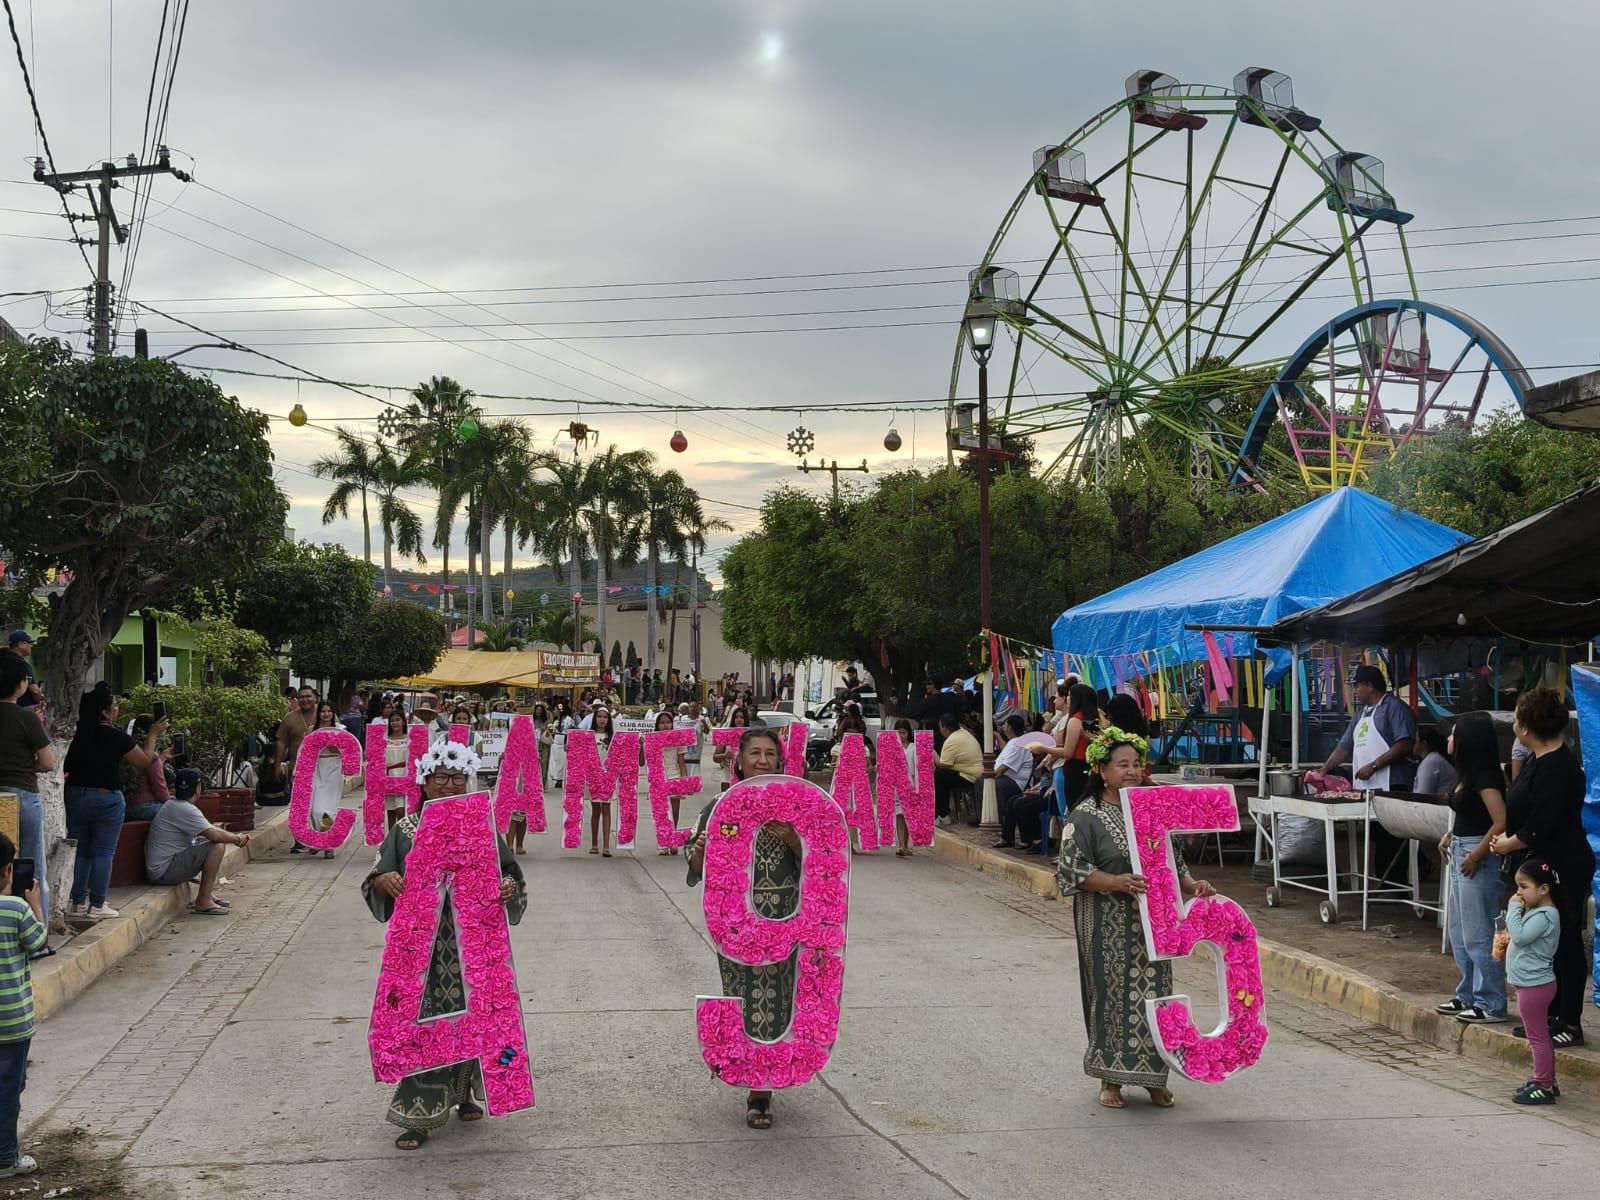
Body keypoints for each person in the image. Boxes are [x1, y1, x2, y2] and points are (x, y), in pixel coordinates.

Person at [361, 742, 526, 1151]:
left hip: (474, 942)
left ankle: (465, 1091)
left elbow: (510, 874)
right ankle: (419, 1111)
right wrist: (385, 882)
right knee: (426, 1019)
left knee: (475, 1015)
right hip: (423, 952)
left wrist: (507, 888)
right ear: (425, 782)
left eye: (457, 779)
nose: (449, 786)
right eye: (441, 778)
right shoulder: (405, 831)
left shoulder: (483, 827)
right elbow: (375, 876)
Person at [1058, 726, 1216, 1111]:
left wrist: (1193, 884)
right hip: (1105, 920)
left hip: (1154, 923)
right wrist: (1115, 881)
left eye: (1136, 764)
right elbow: (1072, 870)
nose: (1130, 771)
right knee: (1110, 994)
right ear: (1102, 770)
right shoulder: (1085, 816)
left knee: (1156, 996)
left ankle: (1153, 1078)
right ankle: (1110, 1078)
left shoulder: (1151, 810)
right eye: (1121, 764)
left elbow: (1172, 861)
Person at [685, 727, 797, 1130]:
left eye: (770, 754)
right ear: (740, 761)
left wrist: (794, 841)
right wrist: (700, 854)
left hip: (786, 924)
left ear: (781, 762)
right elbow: (694, 866)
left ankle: (768, 1075)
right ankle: (758, 1090)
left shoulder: (798, 806)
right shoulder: (719, 806)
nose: (763, 760)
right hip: (735, 928)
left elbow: (826, 859)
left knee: (780, 1002)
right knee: (747, 1000)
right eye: (755, 753)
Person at [1490, 686, 1594, 1048]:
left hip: (1563, 864)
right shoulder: (1539, 760)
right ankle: (1549, 1015)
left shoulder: (1558, 767)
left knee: (1565, 941)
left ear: (1525, 727)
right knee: (1546, 945)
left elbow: (1542, 823)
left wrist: (1509, 842)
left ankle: (1570, 1020)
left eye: (1518, 718)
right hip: (1541, 861)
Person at [64, 684, 166, 920]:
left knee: (82, 851)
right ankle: (98, 903)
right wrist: (152, 735)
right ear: (105, 712)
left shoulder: (75, 734)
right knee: (103, 852)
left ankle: (77, 900)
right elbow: (143, 761)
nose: (117, 709)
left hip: (74, 796)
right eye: (115, 706)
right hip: (105, 798)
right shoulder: (115, 736)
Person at [1433, 712, 1508, 1024]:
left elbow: (1501, 821)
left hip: (1477, 855)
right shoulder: (1464, 773)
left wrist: (1476, 854)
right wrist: (1450, 836)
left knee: (1479, 932)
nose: (1449, 740)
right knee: (1460, 931)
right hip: (1460, 848)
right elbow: (1467, 813)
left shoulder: (1486, 777)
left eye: (1454, 735)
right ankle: (1467, 993)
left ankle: (1491, 1001)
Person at [0, 831, 46, 1178]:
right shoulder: (15, 909)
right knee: (8, 1089)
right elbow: (38, 944)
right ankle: (5, 1157)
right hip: (12, 1022)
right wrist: (36, 906)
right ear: (6, 873)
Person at [1497, 859, 1562, 1104]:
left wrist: (1513, 909)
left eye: (1523, 887)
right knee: (1540, 1035)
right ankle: (1546, 1079)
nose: (1518, 893)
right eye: (1517, 888)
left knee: (1537, 1037)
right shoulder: (1538, 912)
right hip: (1528, 984)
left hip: (1535, 986)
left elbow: (1521, 936)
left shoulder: (1546, 915)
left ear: (1543, 889)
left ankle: (1543, 1085)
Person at [145, 768, 247, 914]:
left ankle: (207, 894)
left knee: (203, 843)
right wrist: (238, 839)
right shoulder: (185, 809)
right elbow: (215, 836)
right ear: (198, 789)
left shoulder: (173, 804)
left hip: (163, 867)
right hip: (163, 871)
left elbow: (209, 830)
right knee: (216, 847)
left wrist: (234, 836)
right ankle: (203, 901)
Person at [0, 657, 52, 922]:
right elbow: (48, 763)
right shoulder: (27, 719)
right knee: (30, 869)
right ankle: (36, 934)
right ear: (20, 684)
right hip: (22, 797)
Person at [1319, 665, 1417, 791]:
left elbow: (1405, 744)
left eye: (1357, 686)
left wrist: (1374, 766)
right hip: (1363, 787)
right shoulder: (1360, 714)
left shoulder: (1394, 707)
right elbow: (1344, 747)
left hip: (1392, 786)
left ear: (1370, 686)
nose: (1355, 691)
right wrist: (1324, 769)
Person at [1031, 683, 1100, 813]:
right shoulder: (1095, 719)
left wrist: (1043, 748)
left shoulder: (1075, 720)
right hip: (1088, 767)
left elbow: (1068, 751)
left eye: (1069, 696)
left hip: (1076, 768)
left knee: (1072, 811)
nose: (1067, 698)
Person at [992, 715, 1038, 849]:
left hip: (1015, 783)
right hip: (1007, 780)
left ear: (1010, 727)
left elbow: (1004, 768)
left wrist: (992, 775)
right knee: (983, 782)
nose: (1004, 728)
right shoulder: (1012, 742)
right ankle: (1007, 838)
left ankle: (998, 822)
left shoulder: (1019, 743)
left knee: (995, 785)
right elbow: (1004, 749)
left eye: (1005, 725)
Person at [308, 702, 347, 861]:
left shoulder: (341, 730)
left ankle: (328, 844)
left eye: (329, 711)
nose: (325, 714)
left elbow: (345, 751)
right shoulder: (311, 730)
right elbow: (306, 752)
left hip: (333, 770)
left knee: (329, 810)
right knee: (315, 808)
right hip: (316, 770)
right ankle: (318, 838)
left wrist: (332, 744)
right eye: (323, 711)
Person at [933, 712, 982, 827]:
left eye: (940, 726)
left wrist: (933, 752)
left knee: (939, 775)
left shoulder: (952, 740)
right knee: (942, 775)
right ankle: (942, 812)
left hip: (970, 776)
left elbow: (943, 764)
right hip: (971, 772)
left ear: (945, 728)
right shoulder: (964, 733)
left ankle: (943, 815)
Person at [123, 715, 172, 822]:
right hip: (146, 807)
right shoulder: (152, 757)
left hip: (125, 808)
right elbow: (161, 791)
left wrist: (162, 758)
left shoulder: (128, 753)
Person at [588, 707, 616, 856]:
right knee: (595, 810)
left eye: (605, 716)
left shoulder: (613, 737)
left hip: (608, 776)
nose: (602, 719)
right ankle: (594, 843)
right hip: (592, 776)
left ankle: (606, 846)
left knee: (606, 808)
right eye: (599, 716)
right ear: (595, 718)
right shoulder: (589, 736)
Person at [382, 711, 413, 833]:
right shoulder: (385, 739)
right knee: (391, 811)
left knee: (401, 809)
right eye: (392, 720)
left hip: (404, 774)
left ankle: (401, 837)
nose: (395, 723)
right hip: (389, 776)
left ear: (403, 722)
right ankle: (391, 838)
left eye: (398, 720)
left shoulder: (410, 739)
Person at [892, 719, 917, 857]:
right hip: (897, 786)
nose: (901, 735)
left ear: (908, 733)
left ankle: (906, 844)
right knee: (899, 814)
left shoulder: (913, 747)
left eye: (904, 732)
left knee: (908, 815)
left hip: (911, 785)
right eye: (899, 733)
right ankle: (901, 844)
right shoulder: (891, 748)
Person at [712, 707, 749, 793]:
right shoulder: (726, 735)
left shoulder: (750, 736)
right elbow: (715, 758)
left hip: (745, 776)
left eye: (742, 717)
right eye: (736, 717)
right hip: (727, 776)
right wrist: (724, 756)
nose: (739, 720)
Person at [1413, 727, 1457, 797]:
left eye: (1415, 740)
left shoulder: (1431, 762)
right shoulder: (1433, 759)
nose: (1413, 743)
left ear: (1424, 743)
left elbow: (1422, 796)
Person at [3, 634, 41, 711]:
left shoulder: (4, 661)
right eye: (29, 643)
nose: (31, 646)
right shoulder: (22, 664)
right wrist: (42, 699)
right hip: (24, 709)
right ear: (20, 645)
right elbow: (35, 691)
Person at [547, 701, 574, 791]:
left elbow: (570, 731)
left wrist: (567, 741)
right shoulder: (556, 720)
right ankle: (556, 777)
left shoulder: (568, 719)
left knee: (562, 761)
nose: (554, 711)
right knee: (556, 760)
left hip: (563, 740)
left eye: (555, 709)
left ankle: (561, 779)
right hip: (555, 741)